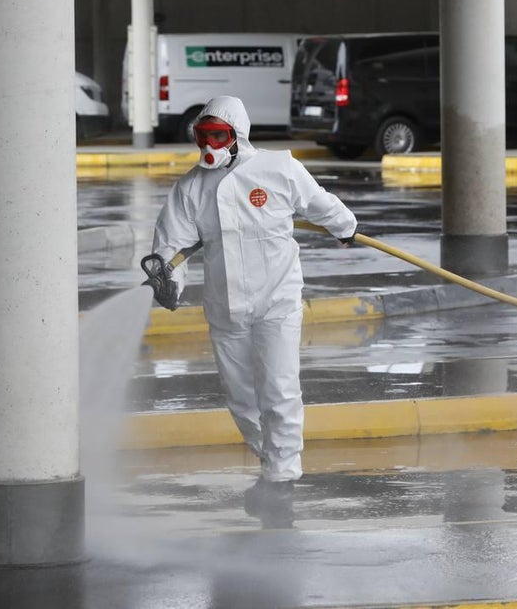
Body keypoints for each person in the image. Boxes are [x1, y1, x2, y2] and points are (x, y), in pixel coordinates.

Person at [144, 95, 357, 525]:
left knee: (279, 391)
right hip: (226, 309)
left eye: (218, 136)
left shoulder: (279, 168)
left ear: (237, 136)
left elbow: (319, 202)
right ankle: (271, 467)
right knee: (242, 400)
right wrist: (168, 282)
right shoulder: (191, 188)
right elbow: (172, 246)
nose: (210, 146)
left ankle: (281, 482)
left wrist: (345, 227)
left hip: (277, 300)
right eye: (203, 137)